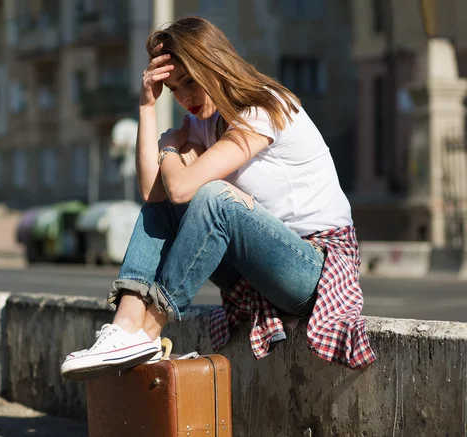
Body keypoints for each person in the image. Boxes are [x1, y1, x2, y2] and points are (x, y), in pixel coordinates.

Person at [61, 16, 375, 380]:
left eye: (190, 81)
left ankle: (147, 333)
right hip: (255, 271)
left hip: (312, 269)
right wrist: (147, 105)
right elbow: (155, 194)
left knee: (215, 198)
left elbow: (180, 186)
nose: (184, 98)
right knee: (169, 207)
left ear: (215, 65)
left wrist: (167, 146)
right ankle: (126, 325)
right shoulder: (202, 123)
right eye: (174, 88)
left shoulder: (265, 108)